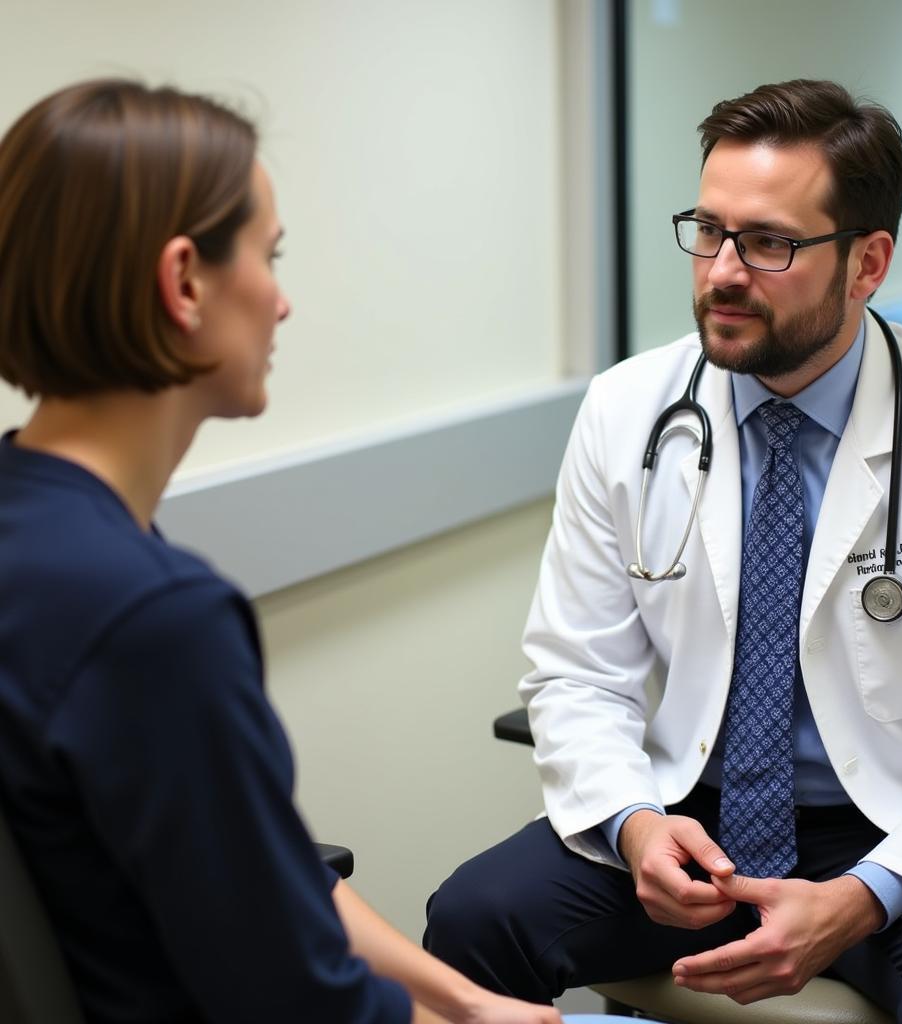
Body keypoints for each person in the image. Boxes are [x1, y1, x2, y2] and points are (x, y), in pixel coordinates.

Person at [423, 80, 902, 1023]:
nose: (722, 271)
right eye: (708, 230)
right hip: (688, 815)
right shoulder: (628, 410)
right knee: (474, 921)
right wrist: (632, 827)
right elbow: (576, 676)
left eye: (770, 242)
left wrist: (865, 895)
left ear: (867, 264)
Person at [0, 78, 561, 1024]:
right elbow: (302, 1005)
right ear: (183, 282)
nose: (284, 303)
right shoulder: (151, 618)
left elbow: (263, 860)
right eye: (270, 255)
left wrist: (468, 1002)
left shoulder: (48, 535)